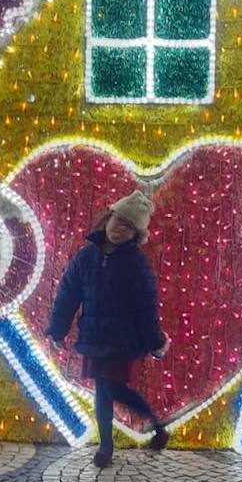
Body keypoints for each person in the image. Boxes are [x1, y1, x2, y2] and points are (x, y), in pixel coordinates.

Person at [47, 190, 170, 466]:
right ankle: (136, 435)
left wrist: (155, 340)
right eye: (119, 221)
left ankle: (122, 441)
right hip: (93, 335)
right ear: (108, 218)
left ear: (136, 234)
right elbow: (68, 294)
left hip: (123, 340)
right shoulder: (85, 256)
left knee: (109, 386)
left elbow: (146, 306)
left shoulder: (138, 264)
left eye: (129, 227)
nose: (120, 229)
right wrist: (57, 329)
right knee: (105, 388)